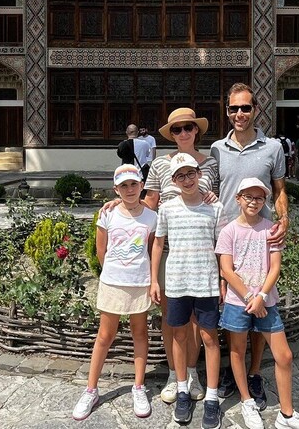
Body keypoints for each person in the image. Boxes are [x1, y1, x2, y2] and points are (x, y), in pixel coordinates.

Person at [104, 107, 219, 405]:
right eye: (177, 129)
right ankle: (173, 374)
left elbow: (214, 202)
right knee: (172, 317)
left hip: (201, 252)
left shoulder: (210, 164)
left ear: (196, 130)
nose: (183, 133)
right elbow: (150, 201)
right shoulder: (159, 165)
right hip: (170, 252)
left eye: (188, 128)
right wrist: (122, 200)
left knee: (196, 320)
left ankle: (192, 373)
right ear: (171, 134)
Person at [211, 83, 289, 409]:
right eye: (234, 108)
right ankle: (235, 370)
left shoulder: (272, 148)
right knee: (232, 308)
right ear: (227, 111)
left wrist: (284, 220)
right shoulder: (217, 149)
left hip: (261, 239)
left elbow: (280, 189)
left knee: (261, 306)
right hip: (228, 240)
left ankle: (254, 372)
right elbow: (209, 190)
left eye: (245, 107)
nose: (239, 114)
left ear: (255, 109)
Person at [216, 177, 299, 429]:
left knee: (284, 355)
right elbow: (226, 269)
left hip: (266, 301)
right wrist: (249, 297)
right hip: (238, 301)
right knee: (237, 350)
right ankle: (246, 399)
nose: (253, 202)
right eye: (248, 197)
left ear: (265, 201)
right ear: (238, 199)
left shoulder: (271, 229)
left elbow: (275, 268)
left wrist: (261, 296)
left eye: (259, 198)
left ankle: (287, 414)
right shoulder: (229, 231)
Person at [72, 165, 157, 421]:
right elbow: (101, 250)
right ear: (116, 189)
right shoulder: (107, 214)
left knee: (140, 333)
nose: (129, 190)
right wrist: (112, 272)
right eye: (124, 186)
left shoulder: (151, 217)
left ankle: (139, 386)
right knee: (104, 336)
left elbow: (150, 249)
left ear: (141, 186)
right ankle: (91, 389)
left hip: (139, 282)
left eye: (133, 184)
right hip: (113, 282)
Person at [150, 153, 224, 428]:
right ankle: (182, 389)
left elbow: (222, 247)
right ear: (173, 181)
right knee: (179, 336)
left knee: (209, 337)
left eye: (191, 173)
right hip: (177, 282)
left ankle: (212, 397)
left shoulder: (215, 208)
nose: (187, 179)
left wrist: (223, 280)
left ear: (199, 174)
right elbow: (159, 244)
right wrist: (154, 280)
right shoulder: (167, 208)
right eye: (180, 176)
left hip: (206, 282)